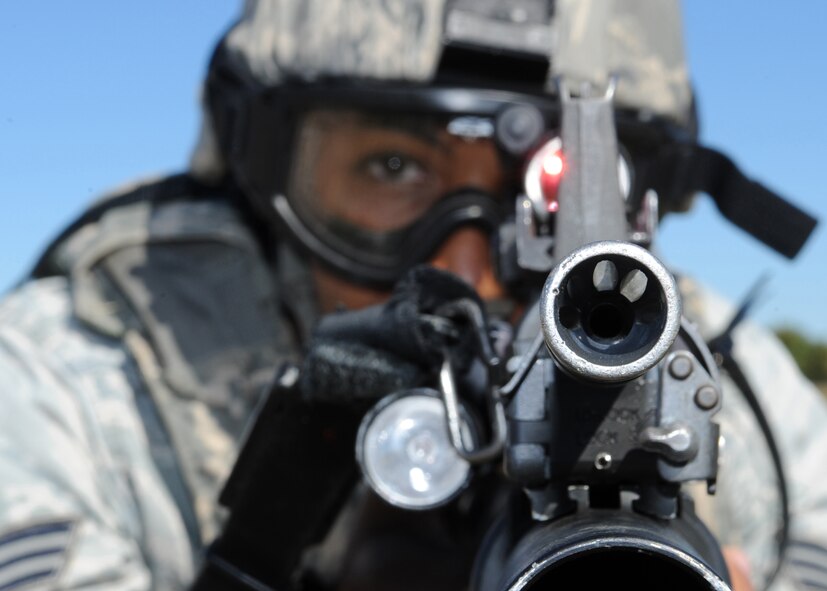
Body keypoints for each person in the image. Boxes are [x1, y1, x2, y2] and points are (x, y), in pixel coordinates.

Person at [0, 1, 825, 590]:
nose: (467, 270)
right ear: (260, 176)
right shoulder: (73, 375)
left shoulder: (739, 392)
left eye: (545, 187)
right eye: (393, 168)